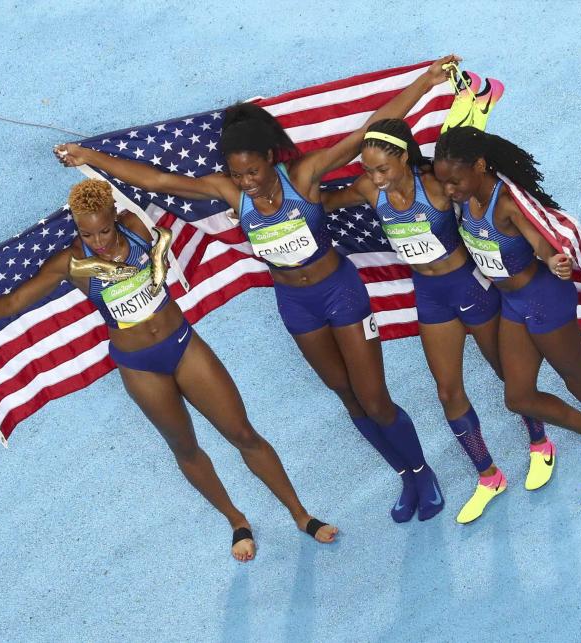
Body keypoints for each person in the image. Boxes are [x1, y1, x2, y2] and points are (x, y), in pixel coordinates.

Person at [53, 56, 461, 523]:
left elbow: (366, 131)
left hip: (339, 293)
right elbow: (157, 180)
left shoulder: (303, 176)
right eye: (237, 174)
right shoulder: (232, 194)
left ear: (269, 157)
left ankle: (422, 471)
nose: (246, 181)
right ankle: (404, 477)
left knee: (373, 397)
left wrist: (426, 82)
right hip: (296, 304)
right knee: (345, 396)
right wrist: (90, 159)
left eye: (252, 172)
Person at [0, 179, 337, 561]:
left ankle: (301, 514)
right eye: (87, 234)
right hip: (139, 366)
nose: (98, 242)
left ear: (114, 215)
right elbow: (11, 304)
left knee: (242, 433)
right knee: (184, 447)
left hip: (183, 346)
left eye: (103, 232)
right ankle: (236, 520)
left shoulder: (134, 228)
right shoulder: (71, 264)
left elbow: (164, 201)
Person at [320, 118, 570, 523]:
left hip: (469, 287)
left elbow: (480, 194)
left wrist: (541, 251)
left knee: (508, 374)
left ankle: (540, 443)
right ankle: (488, 476)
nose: (375, 177)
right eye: (368, 170)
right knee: (447, 391)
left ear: (404, 156)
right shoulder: (368, 190)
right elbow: (319, 200)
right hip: (430, 297)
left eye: (382, 168)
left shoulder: (435, 186)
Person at [432, 126, 581, 508]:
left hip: (546, 300)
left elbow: (541, 243)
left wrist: (556, 261)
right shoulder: (465, 200)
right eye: (443, 182)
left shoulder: (507, 202)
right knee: (518, 396)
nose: (448, 190)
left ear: (479, 166)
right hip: (514, 304)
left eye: (454, 181)